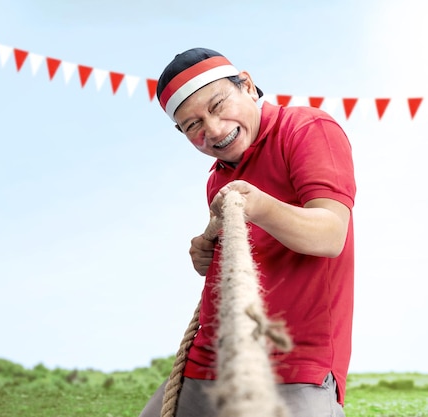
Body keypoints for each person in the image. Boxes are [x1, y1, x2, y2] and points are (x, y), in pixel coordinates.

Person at [138, 48, 356, 417]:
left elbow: (330, 235)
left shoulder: (306, 129)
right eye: (193, 125)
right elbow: (244, 258)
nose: (215, 129)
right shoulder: (219, 176)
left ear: (248, 86)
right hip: (209, 359)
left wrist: (259, 206)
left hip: (297, 365)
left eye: (219, 104)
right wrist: (205, 252)